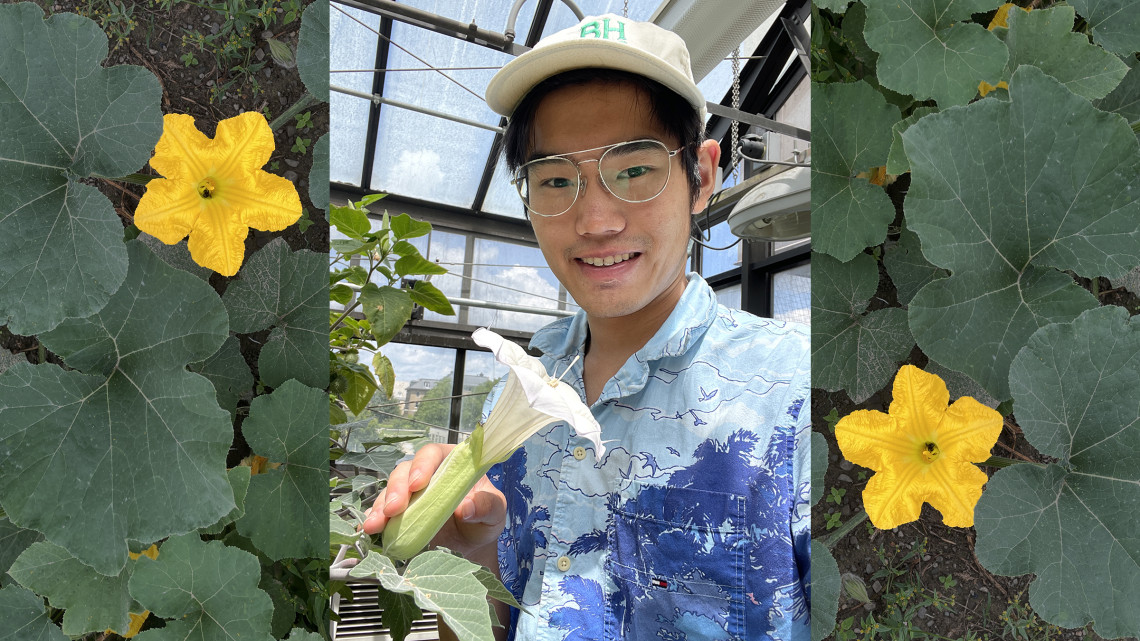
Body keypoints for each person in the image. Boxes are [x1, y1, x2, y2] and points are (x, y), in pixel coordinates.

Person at [363, 13, 810, 641]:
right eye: (554, 180)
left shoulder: (794, 392)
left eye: (633, 171)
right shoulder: (514, 393)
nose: (596, 220)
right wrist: (466, 561)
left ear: (702, 177)